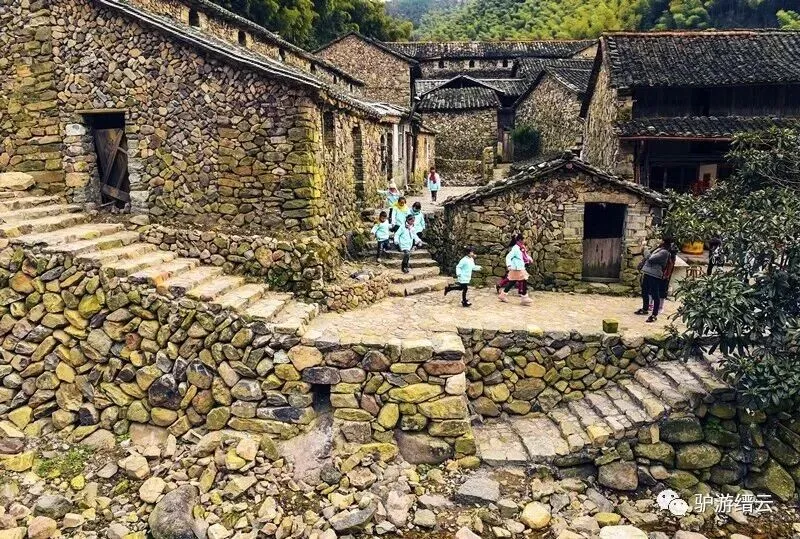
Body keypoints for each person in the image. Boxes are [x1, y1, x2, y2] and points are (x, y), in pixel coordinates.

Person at [635, 237, 674, 323]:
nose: (659, 241)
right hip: (648, 272)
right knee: (644, 291)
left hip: (655, 275)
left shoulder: (664, 252)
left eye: (661, 239)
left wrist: (645, 248)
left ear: (664, 242)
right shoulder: (659, 249)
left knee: (655, 294)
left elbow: (650, 258)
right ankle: (645, 309)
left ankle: (654, 314)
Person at [498, 233, 532, 306]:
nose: (525, 240)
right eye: (524, 239)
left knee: (512, 282)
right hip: (516, 268)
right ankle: (524, 297)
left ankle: (503, 295)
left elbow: (524, 255)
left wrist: (529, 259)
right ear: (520, 240)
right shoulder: (515, 248)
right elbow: (508, 256)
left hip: (519, 267)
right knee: (524, 280)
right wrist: (509, 265)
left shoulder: (522, 247)